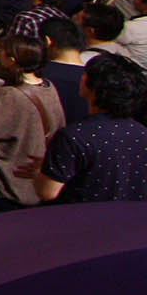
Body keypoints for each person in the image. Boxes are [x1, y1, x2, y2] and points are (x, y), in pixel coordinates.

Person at [36, 52, 147, 203]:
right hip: (133, 219)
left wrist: (43, 170)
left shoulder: (73, 136)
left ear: (92, 85)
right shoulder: (142, 132)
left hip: (85, 220)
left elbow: (47, 192)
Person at [0, 34, 65, 209]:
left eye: (2, 54)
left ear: (11, 60)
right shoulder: (48, 87)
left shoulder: (10, 95)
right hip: (35, 182)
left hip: (8, 183)